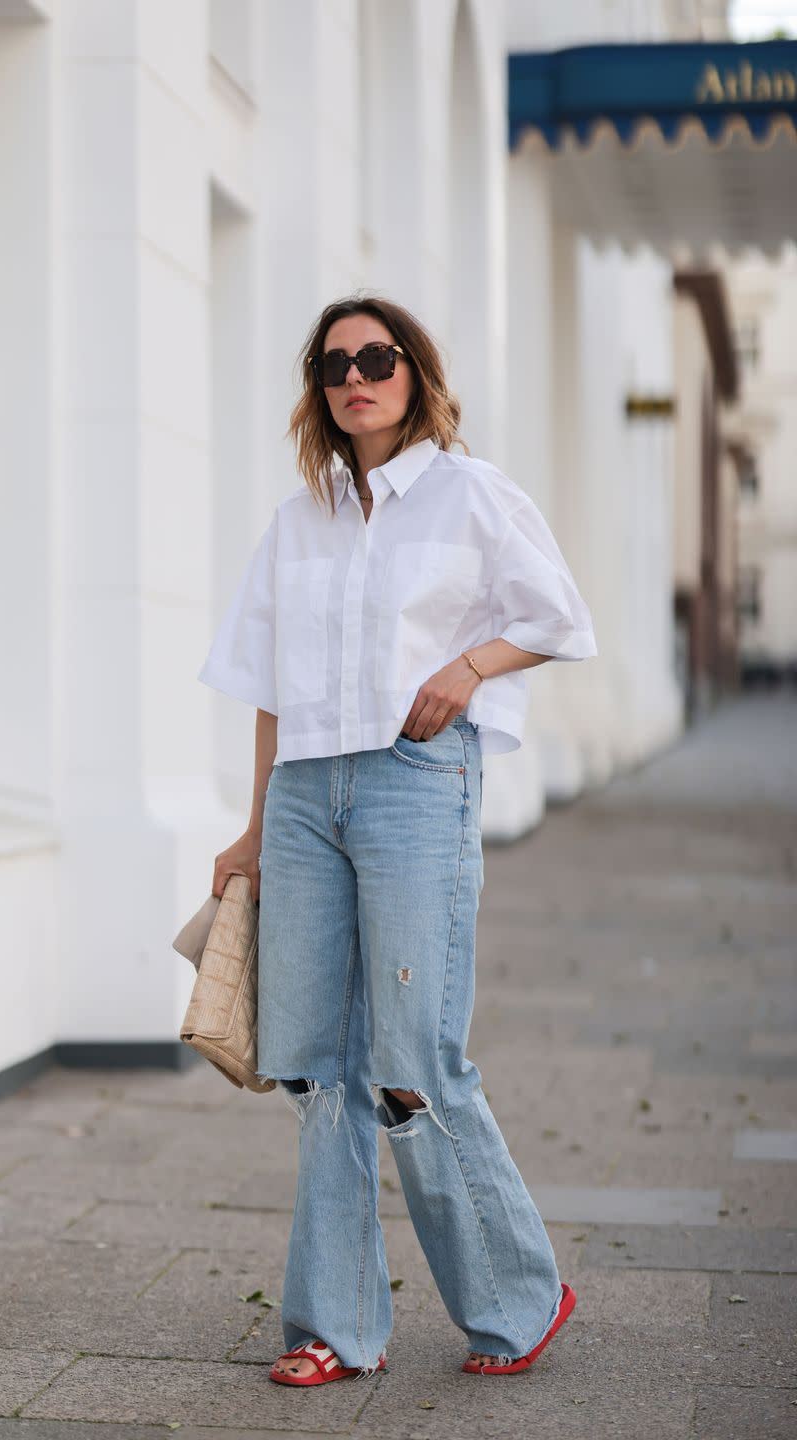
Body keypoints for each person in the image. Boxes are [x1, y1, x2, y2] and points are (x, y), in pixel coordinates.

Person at [197, 295, 596, 1386]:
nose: (355, 376)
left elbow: (558, 616)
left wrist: (466, 670)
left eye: (377, 357)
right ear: (319, 388)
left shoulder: (470, 494)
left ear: (415, 372)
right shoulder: (300, 518)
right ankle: (334, 1326)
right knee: (320, 1067)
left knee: (412, 1058)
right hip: (305, 796)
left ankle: (519, 1296)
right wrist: (250, 828)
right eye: (334, 364)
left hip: (416, 783)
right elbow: (271, 688)